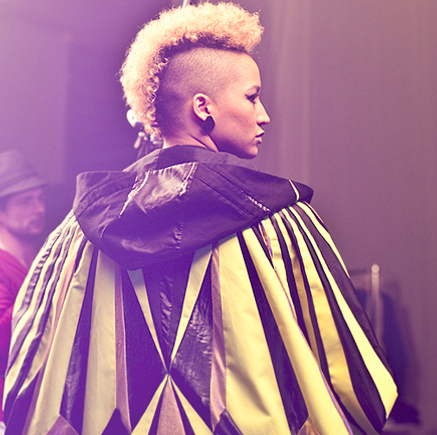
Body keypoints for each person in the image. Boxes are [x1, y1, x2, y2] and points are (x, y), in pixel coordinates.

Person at [4, 3, 397, 435]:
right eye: (251, 96)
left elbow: (26, 375)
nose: (263, 114)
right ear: (203, 107)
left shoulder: (75, 232)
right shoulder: (282, 221)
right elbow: (354, 377)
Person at [0, 150, 46, 431]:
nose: (39, 208)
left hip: (41, 402)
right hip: (7, 409)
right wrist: (43, 288)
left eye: (40, 198)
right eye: (25, 201)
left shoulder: (43, 257)